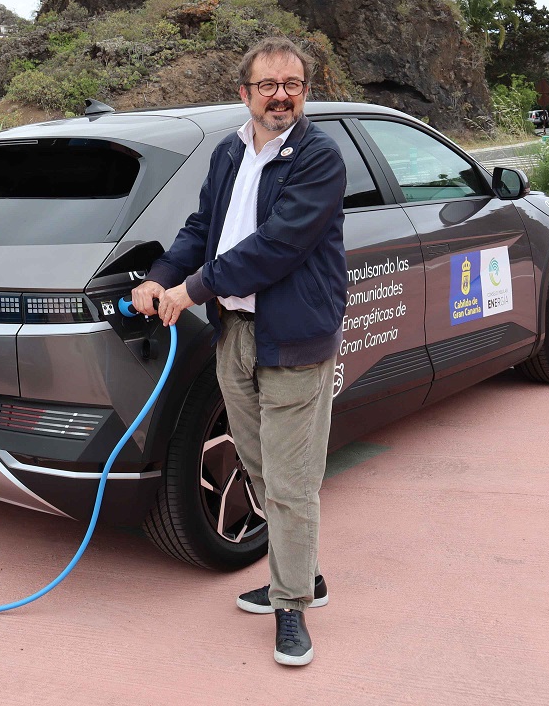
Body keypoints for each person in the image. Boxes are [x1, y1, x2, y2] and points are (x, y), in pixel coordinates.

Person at [132, 37, 347, 668]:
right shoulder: (229, 152)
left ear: (305, 91)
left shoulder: (319, 157)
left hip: (296, 336)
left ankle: (291, 607)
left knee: (289, 480)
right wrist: (160, 274)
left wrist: (188, 291)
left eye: (294, 84)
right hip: (237, 333)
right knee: (259, 469)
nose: (282, 94)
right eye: (269, 84)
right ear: (245, 93)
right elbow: (202, 228)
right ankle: (305, 573)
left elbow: (277, 247)